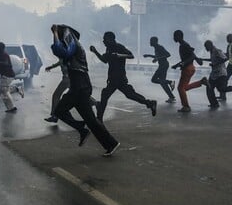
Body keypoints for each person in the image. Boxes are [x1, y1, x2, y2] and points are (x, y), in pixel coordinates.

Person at [51, 24, 120, 156]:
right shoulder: (73, 44)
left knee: (59, 110)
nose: (59, 38)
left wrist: (55, 32)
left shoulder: (72, 41)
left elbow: (60, 51)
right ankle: (111, 143)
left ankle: (81, 128)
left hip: (79, 85)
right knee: (91, 120)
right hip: (80, 85)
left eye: (59, 35)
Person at [91, 32, 157, 122]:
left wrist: (119, 55)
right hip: (113, 78)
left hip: (119, 77)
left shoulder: (119, 47)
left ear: (110, 39)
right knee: (126, 95)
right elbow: (104, 60)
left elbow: (131, 55)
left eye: (105, 39)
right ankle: (150, 103)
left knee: (111, 95)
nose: (103, 41)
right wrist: (95, 52)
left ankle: (99, 119)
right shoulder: (108, 48)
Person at [44, 59, 97, 123]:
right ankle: (97, 103)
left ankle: (54, 116)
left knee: (56, 95)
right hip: (70, 79)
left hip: (67, 79)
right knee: (80, 96)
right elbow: (60, 62)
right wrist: (51, 67)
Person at [171, 30, 205, 112]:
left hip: (187, 69)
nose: (173, 38)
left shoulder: (184, 45)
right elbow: (189, 56)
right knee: (183, 88)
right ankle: (201, 82)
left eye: (175, 36)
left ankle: (186, 106)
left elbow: (192, 56)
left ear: (179, 36)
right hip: (190, 68)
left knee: (180, 88)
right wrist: (177, 64)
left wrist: (183, 63)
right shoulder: (183, 45)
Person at [201, 40, 232, 108]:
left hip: (220, 73)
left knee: (216, 88)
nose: (206, 49)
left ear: (210, 45)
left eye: (206, 47)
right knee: (215, 88)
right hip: (214, 73)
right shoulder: (212, 51)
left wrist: (215, 64)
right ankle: (214, 103)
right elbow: (213, 60)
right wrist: (203, 59)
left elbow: (225, 58)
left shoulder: (217, 51)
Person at [0, 42, 24, 113]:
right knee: (4, 91)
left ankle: (12, 107)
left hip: (8, 75)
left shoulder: (4, 55)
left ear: (2, 48)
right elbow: (1, 66)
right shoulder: (1, 55)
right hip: (6, 75)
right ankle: (17, 89)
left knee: (4, 91)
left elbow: (5, 64)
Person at [144, 36, 176, 103]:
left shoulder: (159, 47)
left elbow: (168, 54)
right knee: (162, 82)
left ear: (155, 42)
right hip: (162, 65)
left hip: (163, 65)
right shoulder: (156, 48)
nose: (149, 42)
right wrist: (149, 55)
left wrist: (157, 58)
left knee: (154, 79)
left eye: (151, 41)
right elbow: (158, 56)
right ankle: (172, 97)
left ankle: (170, 82)